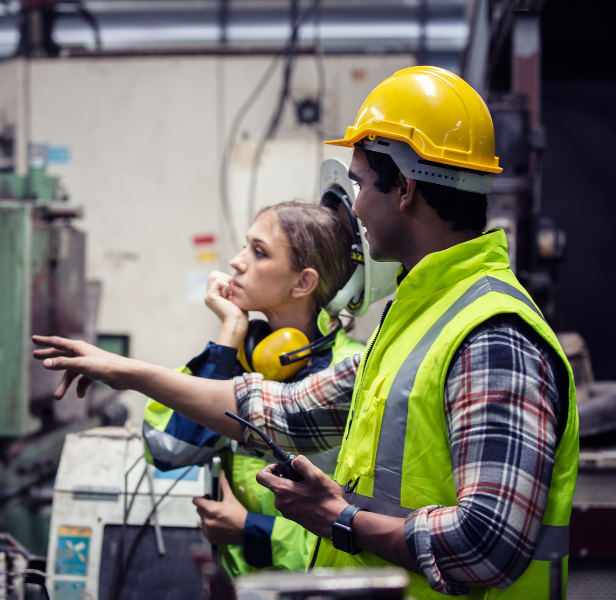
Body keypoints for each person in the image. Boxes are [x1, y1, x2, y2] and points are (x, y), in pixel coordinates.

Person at [33, 66, 578, 598]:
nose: (355, 208)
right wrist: (123, 371)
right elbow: (287, 410)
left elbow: (487, 544)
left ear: (406, 188)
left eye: (361, 184)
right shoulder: (418, 316)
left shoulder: (491, 335)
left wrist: (340, 516)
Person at [143, 200, 386, 577]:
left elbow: (366, 525)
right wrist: (228, 336)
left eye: (259, 252)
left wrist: (253, 531)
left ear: (303, 282)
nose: (237, 262)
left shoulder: (351, 374)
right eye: (245, 246)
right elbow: (169, 451)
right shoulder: (236, 359)